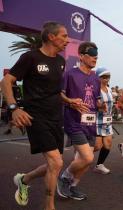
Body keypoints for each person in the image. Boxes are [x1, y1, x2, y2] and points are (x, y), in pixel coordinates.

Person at [1, 22, 68, 210]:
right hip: (35, 117)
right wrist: (14, 108)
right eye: (63, 36)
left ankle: (24, 179)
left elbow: (55, 91)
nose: (67, 39)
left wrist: (69, 101)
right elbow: (6, 81)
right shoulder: (30, 57)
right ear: (51, 37)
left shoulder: (60, 61)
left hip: (56, 117)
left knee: (55, 164)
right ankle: (49, 206)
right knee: (56, 161)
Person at [57, 42, 101, 200]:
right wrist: (70, 101)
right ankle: (64, 178)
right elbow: (59, 94)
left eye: (97, 55)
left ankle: (72, 186)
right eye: (91, 54)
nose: (95, 57)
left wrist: (101, 105)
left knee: (84, 160)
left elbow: (96, 100)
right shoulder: (70, 74)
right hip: (73, 121)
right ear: (81, 56)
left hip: (90, 122)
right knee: (88, 157)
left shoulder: (96, 78)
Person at [93, 68, 114, 174]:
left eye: (108, 77)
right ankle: (81, 156)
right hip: (97, 120)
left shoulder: (109, 89)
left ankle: (99, 165)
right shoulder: (94, 89)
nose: (106, 79)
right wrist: (98, 107)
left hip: (108, 121)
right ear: (98, 77)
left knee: (108, 144)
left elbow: (111, 103)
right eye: (104, 77)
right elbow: (91, 104)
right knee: (97, 146)